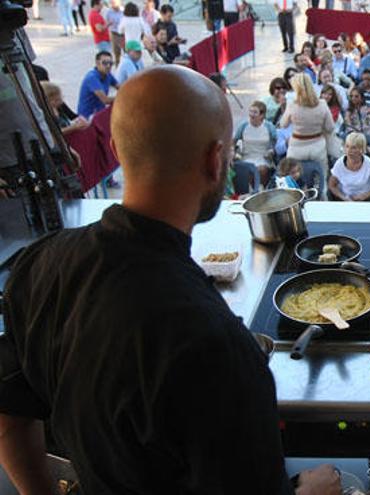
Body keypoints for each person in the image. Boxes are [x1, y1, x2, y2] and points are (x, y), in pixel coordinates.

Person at [0, 65, 343, 495]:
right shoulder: (218, 350)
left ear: (116, 147)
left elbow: (10, 420)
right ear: (214, 160)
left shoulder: (37, 266)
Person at [279, 73, 335, 196]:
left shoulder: (292, 105)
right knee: (321, 180)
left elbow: (283, 124)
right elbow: (330, 127)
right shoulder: (322, 104)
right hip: (317, 146)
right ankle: (321, 202)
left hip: (296, 147)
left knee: (291, 181)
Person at [234, 100, 278, 188]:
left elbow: (275, 142)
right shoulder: (244, 126)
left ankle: (262, 189)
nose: (251, 114)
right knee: (248, 169)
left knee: (261, 170)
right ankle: (251, 190)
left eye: (255, 112)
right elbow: (234, 141)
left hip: (263, 157)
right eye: (250, 111)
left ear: (262, 115)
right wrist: (235, 152)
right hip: (247, 157)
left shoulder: (269, 127)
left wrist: (271, 151)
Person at [328, 132, 370, 201]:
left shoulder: (369, 163)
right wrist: (344, 197)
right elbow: (332, 185)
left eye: (353, 148)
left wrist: (364, 196)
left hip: (366, 199)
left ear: (361, 149)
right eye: (347, 146)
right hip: (345, 200)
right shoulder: (339, 164)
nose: (349, 151)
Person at [344, 87, 370, 161]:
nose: (353, 98)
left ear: (362, 97)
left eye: (356, 96)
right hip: (356, 139)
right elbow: (349, 127)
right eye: (352, 96)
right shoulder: (349, 111)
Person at [77, 51, 119, 119]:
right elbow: (105, 100)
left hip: (99, 113)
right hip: (88, 117)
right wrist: (124, 97)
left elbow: (120, 87)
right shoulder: (92, 78)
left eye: (111, 63)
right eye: (105, 63)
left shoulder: (108, 75)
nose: (108, 66)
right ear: (97, 63)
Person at [105, 0, 125, 65]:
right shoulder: (109, 12)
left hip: (124, 35)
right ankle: (118, 68)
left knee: (127, 52)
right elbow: (106, 23)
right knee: (117, 54)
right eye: (112, 3)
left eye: (115, 3)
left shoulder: (124, 11)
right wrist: (109, 24)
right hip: (115, 34)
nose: (113, 5)